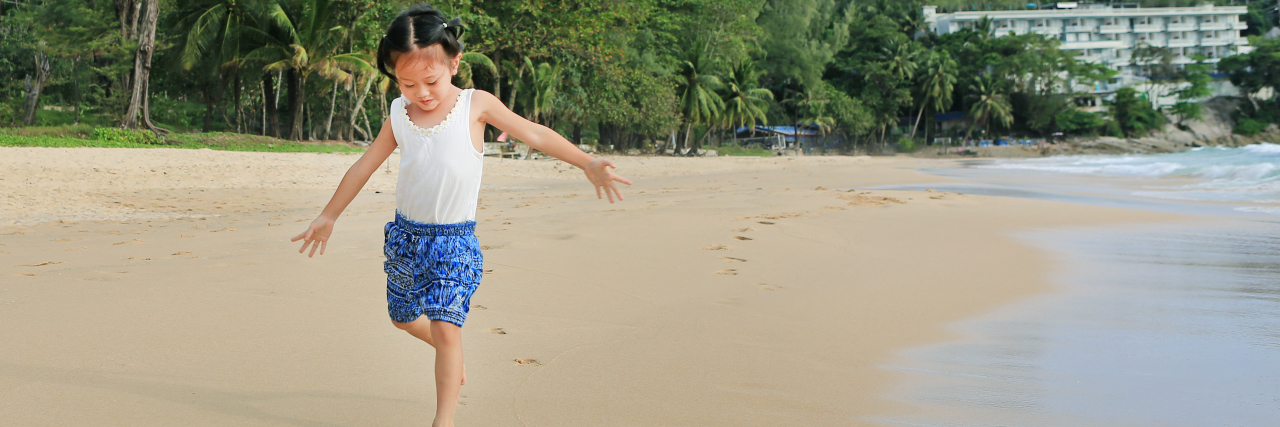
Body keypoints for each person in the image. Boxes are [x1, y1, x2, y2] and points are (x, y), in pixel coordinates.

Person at [289, 5, 632, 426]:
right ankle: (446, 350)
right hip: (405, 238)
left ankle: (443, 419)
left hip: (453, 241)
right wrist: (329, 215)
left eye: (431, 81)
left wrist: (586, 163)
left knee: (447, 327)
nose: (422, 92)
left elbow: (536, 133)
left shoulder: (475, 104)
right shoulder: (399, 114)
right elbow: (363, 167)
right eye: (408, 83)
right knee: (402, 319)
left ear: (454, 63)